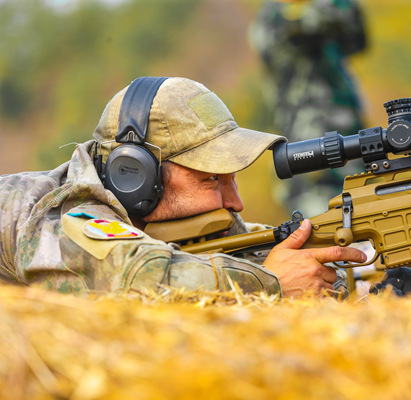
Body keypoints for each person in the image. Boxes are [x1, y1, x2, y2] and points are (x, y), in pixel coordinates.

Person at [0, 76, 368, 298]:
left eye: (231, 177)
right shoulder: (58, 213)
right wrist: (272, 284)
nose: (236, 202)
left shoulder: (171, 215)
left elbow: (250, 253)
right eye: (211, 178)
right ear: (136, 174)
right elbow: (136, 280)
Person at [248, 0, 367, 216]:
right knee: (319, 211)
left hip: (346, 126)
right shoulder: (274, 16)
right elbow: (307, 23)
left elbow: (357, 39)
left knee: (363, 196)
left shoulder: (326, 14)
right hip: (305, 133)